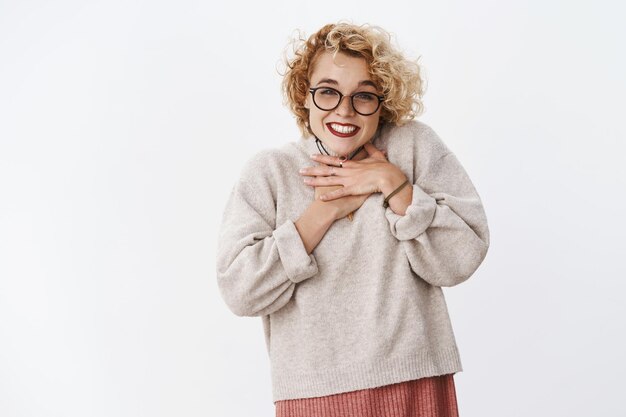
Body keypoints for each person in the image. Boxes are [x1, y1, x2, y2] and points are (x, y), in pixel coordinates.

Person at [216, 21, 490, 417]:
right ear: (303, 95)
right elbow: (239, 289)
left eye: (364, 96)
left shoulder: (411, 146)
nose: (344, 110)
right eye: (328, 92)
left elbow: (462, 255)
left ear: (385, 101)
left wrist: (392, 183)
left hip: (415, 378)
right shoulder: (270, 172)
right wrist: (323, 212)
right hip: (314, 394)